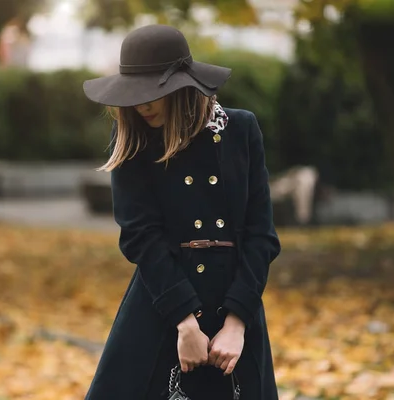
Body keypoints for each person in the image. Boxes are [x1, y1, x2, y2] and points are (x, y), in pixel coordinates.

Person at [82, 24, 281, 400]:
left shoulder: (241, 130)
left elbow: (262, 235)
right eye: (134, 93)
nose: (141, 104)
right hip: (163, 304)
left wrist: (237, 322)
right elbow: (140, 236)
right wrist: (185, 323)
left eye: (152, 92)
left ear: (183, 87)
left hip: (236, 302)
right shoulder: (132, 137)